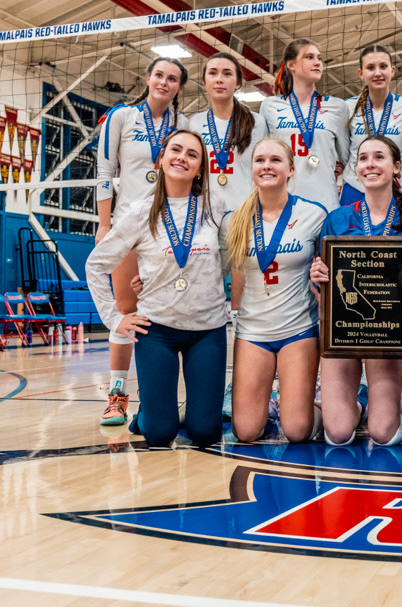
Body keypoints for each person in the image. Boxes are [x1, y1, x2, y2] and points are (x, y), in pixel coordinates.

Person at [86, 130, 228, 447]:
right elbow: (96, 265)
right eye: (175, 150)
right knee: (159, 435)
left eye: (192, 154)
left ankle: (175, 410)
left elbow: (228, 259)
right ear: (160, 160)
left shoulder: (215, 206)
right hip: (157, 330)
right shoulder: (139, 211)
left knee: (206, 433)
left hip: (207, 330)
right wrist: (114, 319)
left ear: (201, 167)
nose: (182, 157)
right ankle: (148, 414)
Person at [310, 135, 402, 447]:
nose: (370, 164)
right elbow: (322, 291)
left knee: (383, 433)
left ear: (396, 168)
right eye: (363, 158)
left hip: (387, 332)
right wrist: (318, 277)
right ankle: (359, 402)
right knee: (337, 434)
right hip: (344, 330)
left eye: (379, 157)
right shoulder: (337, 219)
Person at [95, 56, 188, 426]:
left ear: (179, 87)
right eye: (159, 75)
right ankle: (117, 395)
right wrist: (105, 225)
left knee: (169, 313)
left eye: (172, 79)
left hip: (169, 227)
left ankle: (160, 400)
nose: (164, 82)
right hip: (127, 226)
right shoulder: (122, 117)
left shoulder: (182, 125)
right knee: (125, 309)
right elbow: (104, 171)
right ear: (148, 78)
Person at [222, 137, 328, 443]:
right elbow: (213, 268)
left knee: (296, 431)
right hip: (252, 332)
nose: (267, 166)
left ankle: (333, 406)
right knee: (246, 432)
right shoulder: (234, 220)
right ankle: (269, 407)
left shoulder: (314, 214)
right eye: (260, 160)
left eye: (276, 160)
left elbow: (330, 273)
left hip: (299, 330)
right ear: (252, 169)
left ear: (291, 169)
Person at [261, 39, 350, 212]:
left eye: (319, 58)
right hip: (283, 200)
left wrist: (331, 162)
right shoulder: (270, 106)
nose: (317, 62)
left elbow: (346, 156)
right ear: (291, 65)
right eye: (309, 57)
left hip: (326, 202)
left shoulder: (337, 106)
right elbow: (263, 155)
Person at [340, 45, 402, 206]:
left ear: (392, 70)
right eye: (370, 67)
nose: (377, 73)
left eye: (383, 66)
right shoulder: (347, 107)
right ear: (361, 74)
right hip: (355, 189)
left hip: (394, 190)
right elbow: (342, 153)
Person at [190, 52, 269, 210]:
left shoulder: (257, 122)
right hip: (205, 214)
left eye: (227, 73)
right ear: (204, 81)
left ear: (238, 83)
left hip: (245, 213)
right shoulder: (194, 123)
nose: (219, 79)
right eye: (212, 73)